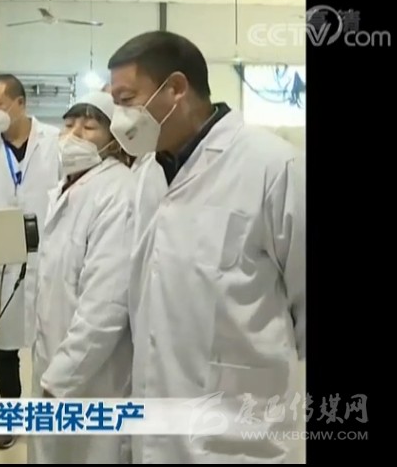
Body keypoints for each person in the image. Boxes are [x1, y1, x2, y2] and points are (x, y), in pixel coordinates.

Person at [107, 31, 306, 463]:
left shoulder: (274, 167)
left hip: (241, 437)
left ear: (176, 89)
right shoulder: (147, 173)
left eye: (127, 100)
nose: (118, 118)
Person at [29, 91, 138, 465]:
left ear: (114, 140)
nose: (74, 134)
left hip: (91, 377)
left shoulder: (118, 192)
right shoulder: (68, 186)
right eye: (68, 125)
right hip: (55, 360)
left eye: (89, 127)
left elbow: (105, 307)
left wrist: (60, 378)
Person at [0, 73, 61, 450]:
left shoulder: (55, 143)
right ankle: (10, 415)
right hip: (2, 265)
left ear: (20, 103)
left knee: (50, 344)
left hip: (50, 262)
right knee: (3, 348)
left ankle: (47, 413)